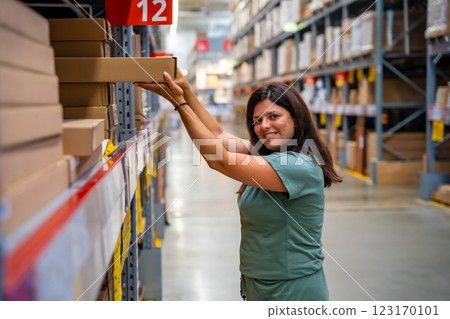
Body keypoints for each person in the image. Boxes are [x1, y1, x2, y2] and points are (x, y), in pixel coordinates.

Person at [136, 69, 342, 301]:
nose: (264, 126)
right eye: (257, 120)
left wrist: (179, 103)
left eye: (274, 116)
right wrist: (187, 92)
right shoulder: (268, 153)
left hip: (292, 289)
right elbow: (218, 133)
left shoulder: (298, 165)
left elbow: (220, 160)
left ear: (296, 117)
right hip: (262, 283)